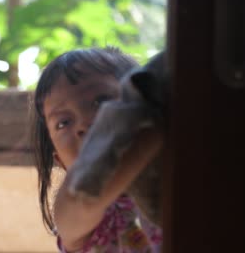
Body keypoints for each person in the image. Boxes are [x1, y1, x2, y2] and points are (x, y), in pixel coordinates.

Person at [31, 46, 163, 252]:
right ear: (61, 161)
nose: (84, 124)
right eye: (63, 122)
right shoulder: (76, 215)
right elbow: (83, 196)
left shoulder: (172, 175)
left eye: (101, 101)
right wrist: (154, 133)